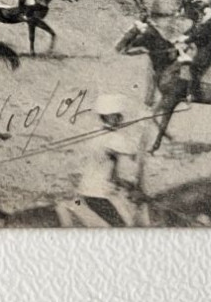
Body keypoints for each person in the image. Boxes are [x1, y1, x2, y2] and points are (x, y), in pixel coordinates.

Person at [63, 93, 148, 227]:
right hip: (98, 194)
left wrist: (123, 183)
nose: (121, 120)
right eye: (118, 116)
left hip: (87, 188)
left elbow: (104, 166)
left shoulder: (95, 132)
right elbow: (133, 149)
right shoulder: (112, 138)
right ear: (110, 117)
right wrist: (143, 124)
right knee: (123, 229)